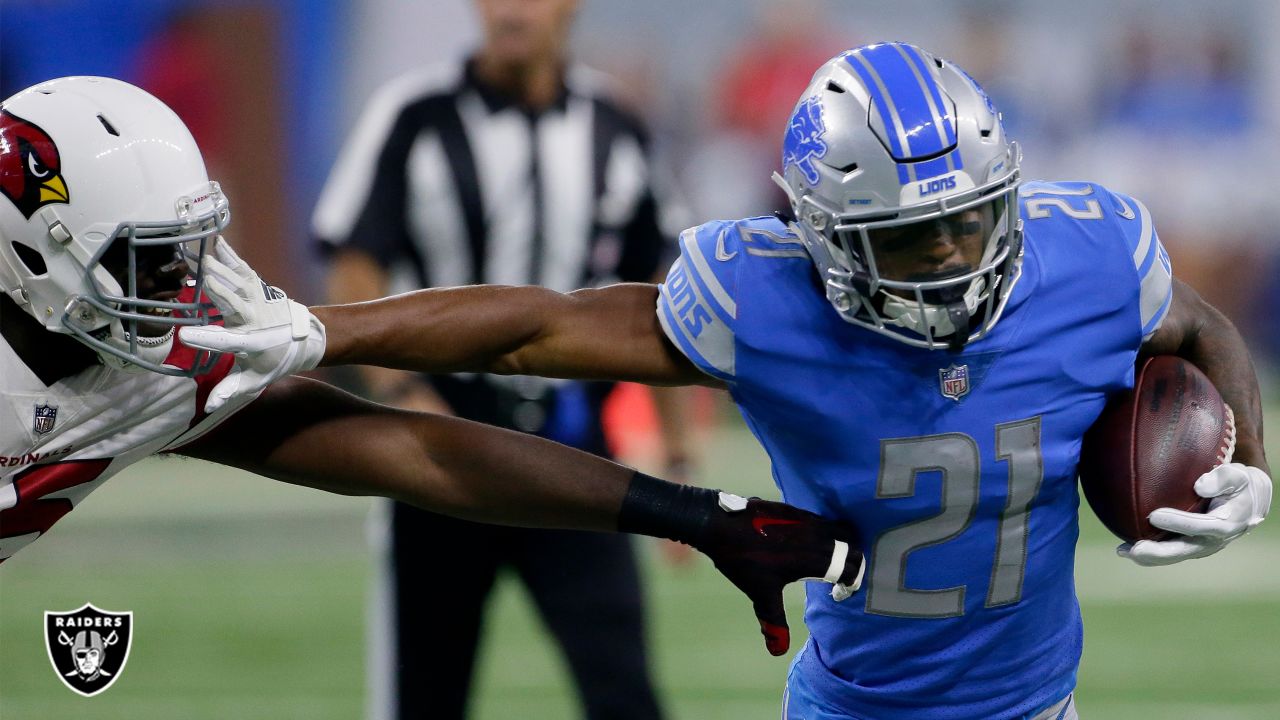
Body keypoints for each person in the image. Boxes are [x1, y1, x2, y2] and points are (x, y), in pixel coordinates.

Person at [187, 42, 1273, 720]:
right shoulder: (763, 296)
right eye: (909, 239)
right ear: (824, 240)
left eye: (968, 221)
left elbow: (1200, 322)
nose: (951, 256)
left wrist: (1247, 466)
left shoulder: (1086, 257)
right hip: (851, 709)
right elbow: (537, 326)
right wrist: (323, 328)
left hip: (1040, 705)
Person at [0, 75, 866, 688]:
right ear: (34, 255)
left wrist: (698, 514)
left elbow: (418, 453)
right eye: (148, 265)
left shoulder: (151, 368)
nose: (185, 290)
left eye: (187, 254)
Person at [311, 1, 693, 717]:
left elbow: (664, 298)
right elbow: (355, 260)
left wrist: (677, 455)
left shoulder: (615, 123)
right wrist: (404, 396)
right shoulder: (414, 114)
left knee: (624, 689)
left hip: (575, 447)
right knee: (424, 693)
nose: (511, 9)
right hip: (444, 442)